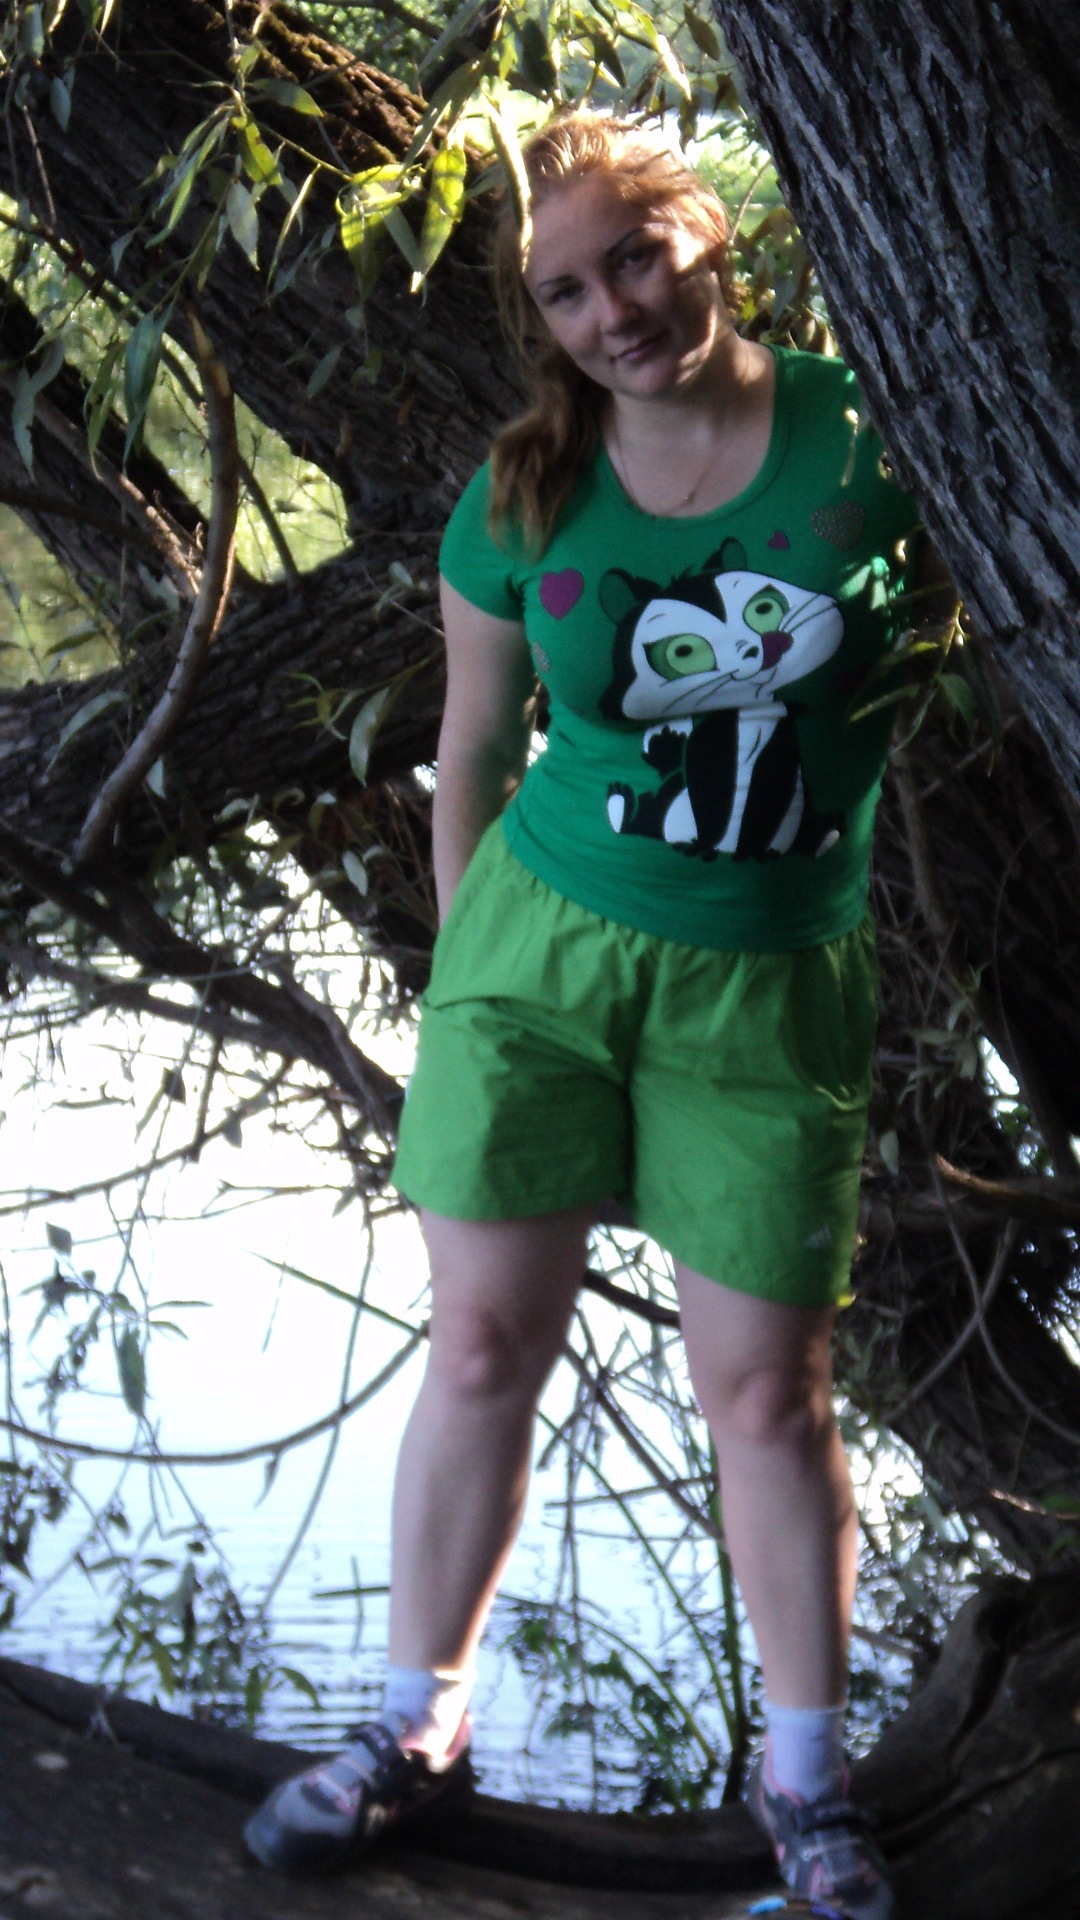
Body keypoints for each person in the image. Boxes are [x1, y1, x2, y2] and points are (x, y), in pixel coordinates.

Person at [245, 111, 922, 1919]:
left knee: (767, 1390)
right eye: (565, 291)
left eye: (635, 257)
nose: (614, 311)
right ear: (538, 320)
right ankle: (416, 1726)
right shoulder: (527, 491)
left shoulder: (874, 435)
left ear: (708, 235)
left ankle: (808, 1789)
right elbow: (471, 752)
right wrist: (470, 972)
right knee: (480, 1347)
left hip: (769, 978)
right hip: (536, 962)